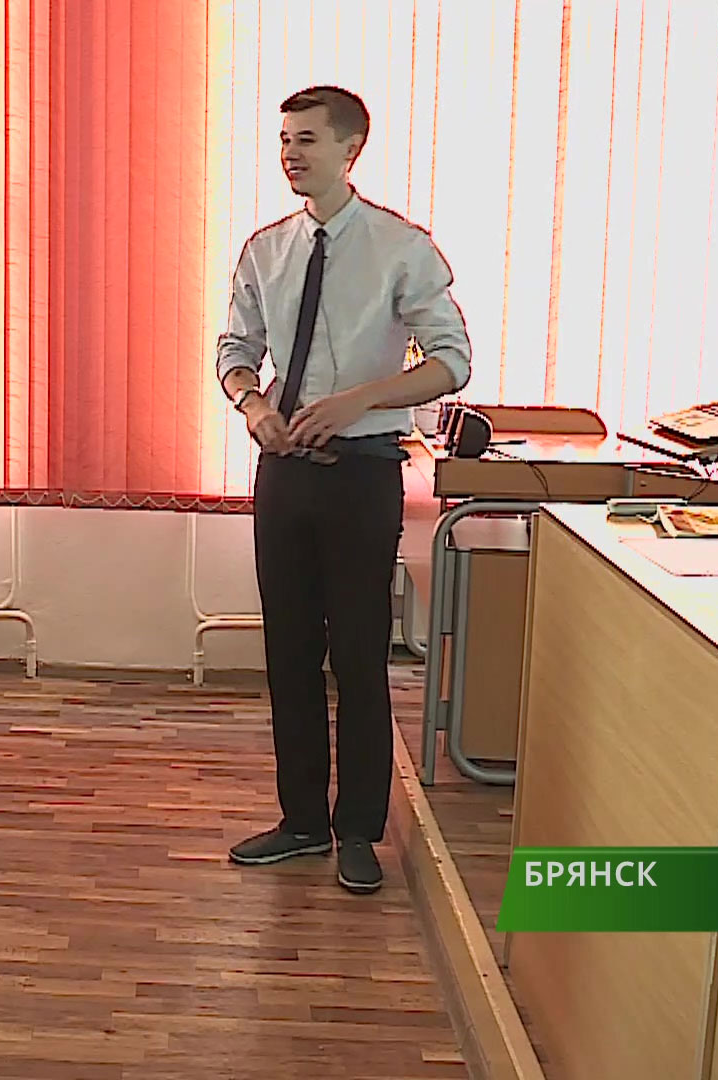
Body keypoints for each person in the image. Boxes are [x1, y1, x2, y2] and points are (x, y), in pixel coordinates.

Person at [215, 86, 471, 893]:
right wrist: (253, 407)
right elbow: (234, 349)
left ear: (350, 149)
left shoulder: (401, 248)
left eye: (307, 140)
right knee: (288, 653)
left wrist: (362, 398)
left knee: (359, 656)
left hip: (363, 472)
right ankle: (301, 822)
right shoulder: (265, 250)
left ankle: (358, 829)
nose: (290, 154)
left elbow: (452, 361)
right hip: (284, 474)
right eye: (284, 140)